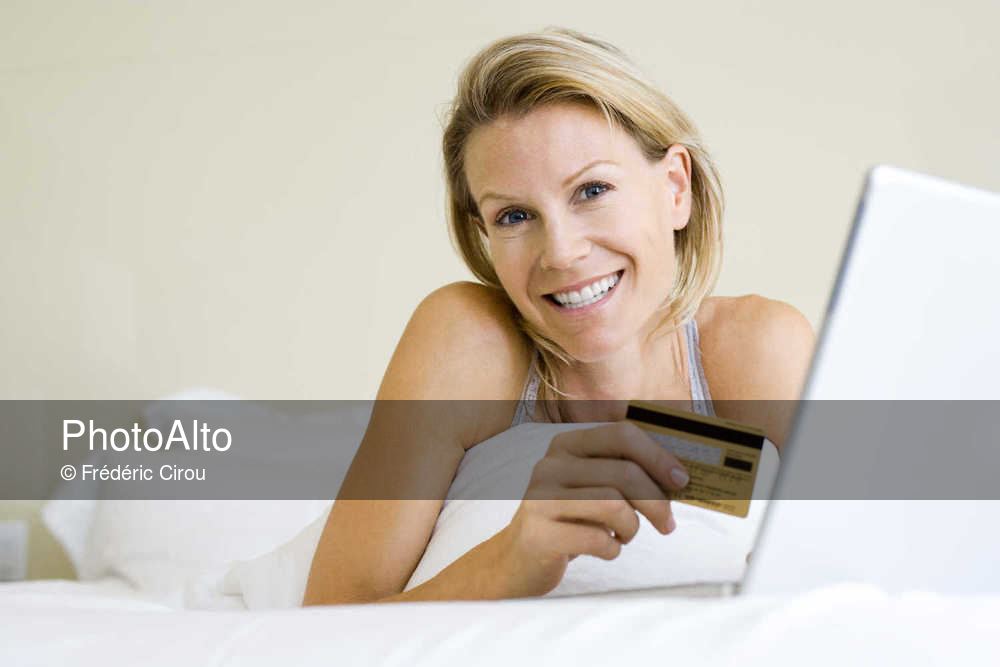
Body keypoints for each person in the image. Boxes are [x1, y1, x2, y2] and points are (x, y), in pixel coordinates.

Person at [303, 27, 814, 606]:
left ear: (675, 187)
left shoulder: (756, 351)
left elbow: (864, 571)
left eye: (592, 190)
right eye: (514, 216)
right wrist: (508, 561)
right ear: (484, 234)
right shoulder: (467, 342)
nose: (561, 253)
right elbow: (327, 620)